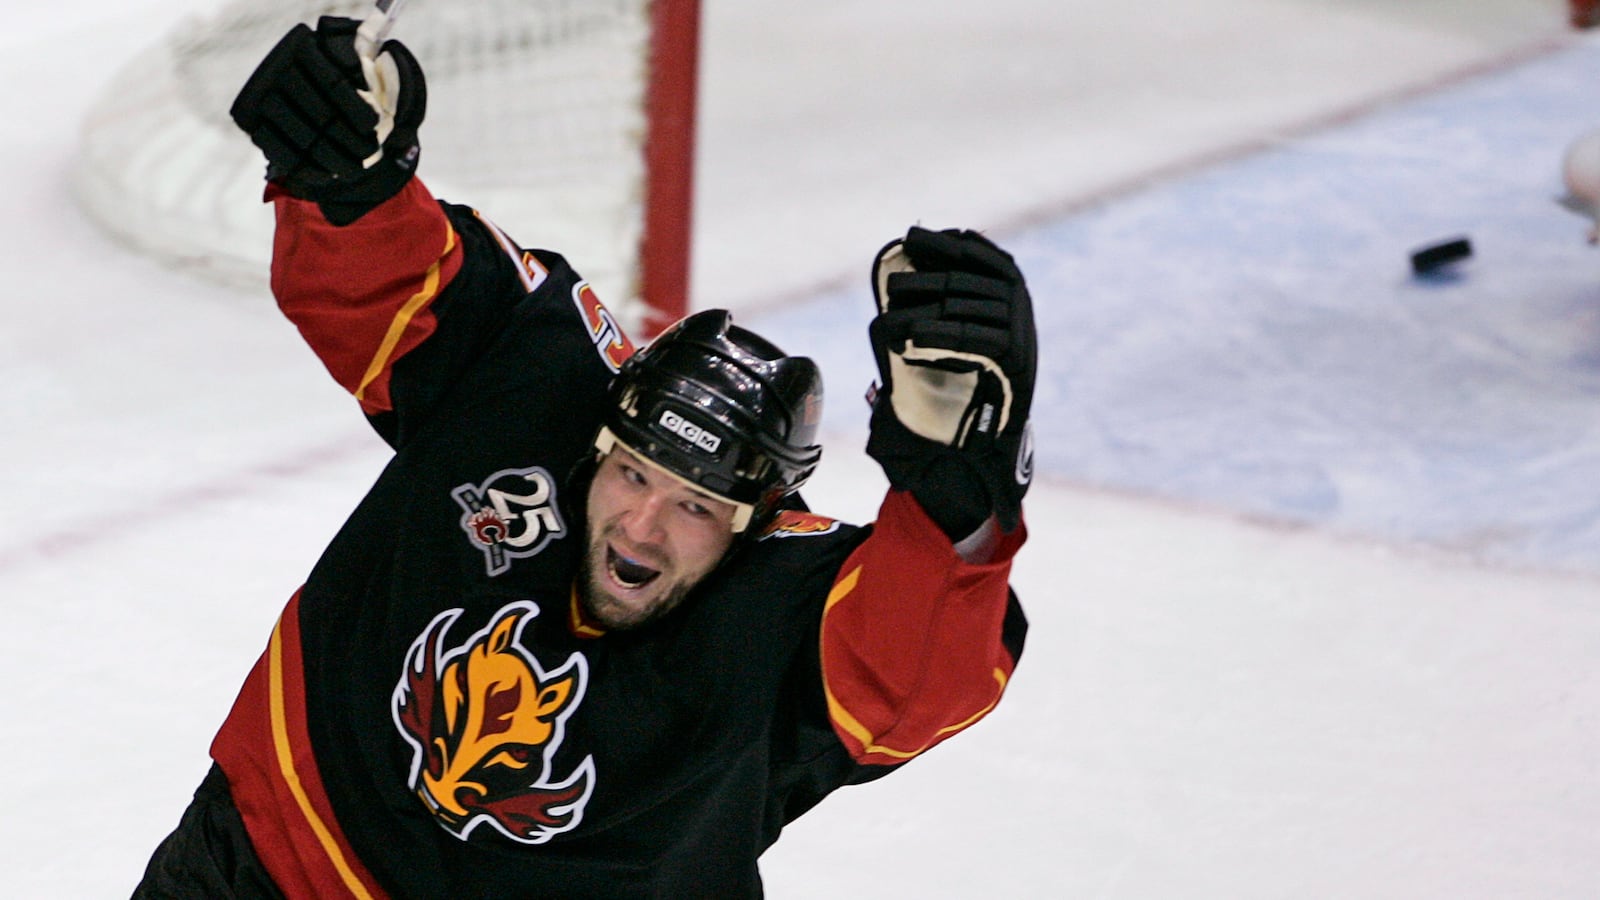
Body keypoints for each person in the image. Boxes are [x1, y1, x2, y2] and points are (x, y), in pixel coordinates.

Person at [134, 14, 1035, 899]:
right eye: (635, 472)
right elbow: (393, 291)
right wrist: (344, 179)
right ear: (601, 436)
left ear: (760, 520)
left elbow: (917, 671)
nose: (643, 523)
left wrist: (959, 484)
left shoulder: (779, 615)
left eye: (694, 506)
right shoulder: (531, 383)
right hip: (269, 859)